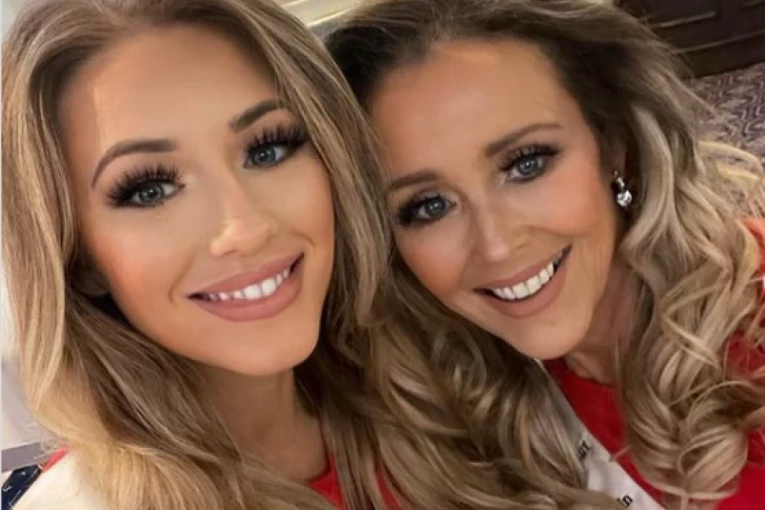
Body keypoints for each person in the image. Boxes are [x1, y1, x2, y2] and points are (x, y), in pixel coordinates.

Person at [1, 0, 581, 509]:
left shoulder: (440, 392)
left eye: (268, 150)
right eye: (149, 189)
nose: (246, 228)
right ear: (78, 258)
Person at [327, 0, 765, 508]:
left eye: (526, 164)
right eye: (429, 206)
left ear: (614, 143)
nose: (495, 245)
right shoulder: (457, 395)